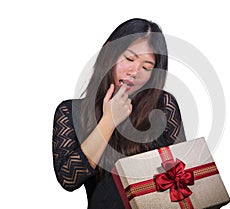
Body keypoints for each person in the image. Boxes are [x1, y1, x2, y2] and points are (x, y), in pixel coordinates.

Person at [52, 18, 186, 209]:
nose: (135, 71)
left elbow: (182, 175)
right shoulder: (71, 112)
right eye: (129, 59)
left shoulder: (164, 106)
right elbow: (68, 178)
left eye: (146, 67)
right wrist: (109, 121)